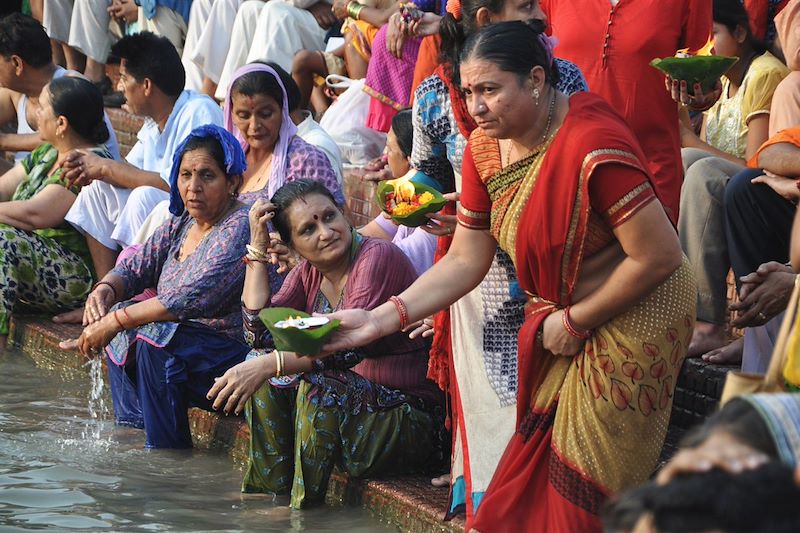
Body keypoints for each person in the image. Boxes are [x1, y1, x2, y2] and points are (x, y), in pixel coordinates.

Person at [322, 21, 696, 532]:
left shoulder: (592, 144)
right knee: (522, 487)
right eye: (470, 92)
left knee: (580, 495)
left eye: (490, 90)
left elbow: (660, 256)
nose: (476, 107)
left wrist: (579, 320)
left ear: (537, 80)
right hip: (563, 318)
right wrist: (377, 319)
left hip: (639, 311)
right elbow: (465, 259)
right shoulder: (483, 150)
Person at [409, 0, 587, 515]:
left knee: (535, 385)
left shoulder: (564, 77)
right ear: (486, 16)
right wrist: (418, 203)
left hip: (546, 256)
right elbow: (429, 174)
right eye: (525, 4)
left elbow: (573, 157)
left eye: (488, 90)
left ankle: (532, 496)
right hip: (472, 254)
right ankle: (487, 490)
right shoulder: (430, 94)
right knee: (487, 386)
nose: (539, 12)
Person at [207, 179, 443, 508]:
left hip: (410, 423)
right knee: (265, 371)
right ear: (292, 246)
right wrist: (257, 251)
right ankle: (270, 495)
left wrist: (268, 364)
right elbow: (258, 333)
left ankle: (304, 515)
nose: (325, 232)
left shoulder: (376, 258)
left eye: (329, 217)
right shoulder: (308, 273)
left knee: (314, 385)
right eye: (308, 229)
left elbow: (342, 352)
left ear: (345, 216)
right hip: (354, 421)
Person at [71, 125, 253, 449]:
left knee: (151, 335)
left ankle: (166, 456)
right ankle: (131, 433)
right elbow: (137, 266)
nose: (193, 187)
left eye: (207, 176)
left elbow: (182, 301)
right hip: (185, 354)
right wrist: (105, 290)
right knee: (124, 319)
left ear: (233, 182)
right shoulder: (183, 221)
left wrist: (113, 322)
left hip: (230, 359)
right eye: (185, 175)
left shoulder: (240, 227)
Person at [54, 31, 223, 325]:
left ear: (146, 85)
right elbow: (128, 173)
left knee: (145, 197)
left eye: (123, 78)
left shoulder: (198, 110)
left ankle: (134, 302)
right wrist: (92, 167)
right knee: (97, 190)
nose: (119, 86)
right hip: (163, 221)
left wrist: (104, 166)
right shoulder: (152, 123)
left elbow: (177, 188)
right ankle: (104, 295)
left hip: (198, 223)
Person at [679, 0, 788, 360]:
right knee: (685, 163)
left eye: (713, 35)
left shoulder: (765, 74)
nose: (708, 49)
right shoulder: (724, 86)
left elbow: (757, 163)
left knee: (700, 168)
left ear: (740, 33)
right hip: (733, 185)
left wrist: (691, 139)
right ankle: (686, 315)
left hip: (761, 189)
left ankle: (708, 322)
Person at [540, 0, 713, 223]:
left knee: (652, 253)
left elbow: (701, 67)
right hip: (563, 166)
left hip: (647, 170)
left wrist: (699, 94)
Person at [0, 76, 112, 351]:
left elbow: (36, 215)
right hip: (32, 262)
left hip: (74, 274)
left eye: (43, 106)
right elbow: (4, 189)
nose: (36, 111)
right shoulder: (48, 152)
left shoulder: (88, 163)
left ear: (61, 123)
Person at [0, 13, 119, 170]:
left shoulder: (73, 84)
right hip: (27, 185)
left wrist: (4, 141)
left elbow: (67, 138)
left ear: (17, 63)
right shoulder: (14, 92)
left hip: (73, 188)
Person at [359, 109, 437, 276]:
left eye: (390, 148)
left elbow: (388, 258)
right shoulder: (405, 197)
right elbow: (371, 233)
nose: (385, 155)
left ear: (411, 160)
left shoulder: (433, 214)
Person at [214, 0, 338, 101]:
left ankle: (258, 98)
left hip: (335, 30)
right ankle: (229, 101)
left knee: (276, 11)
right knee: (250, 10)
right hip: (309, 11)